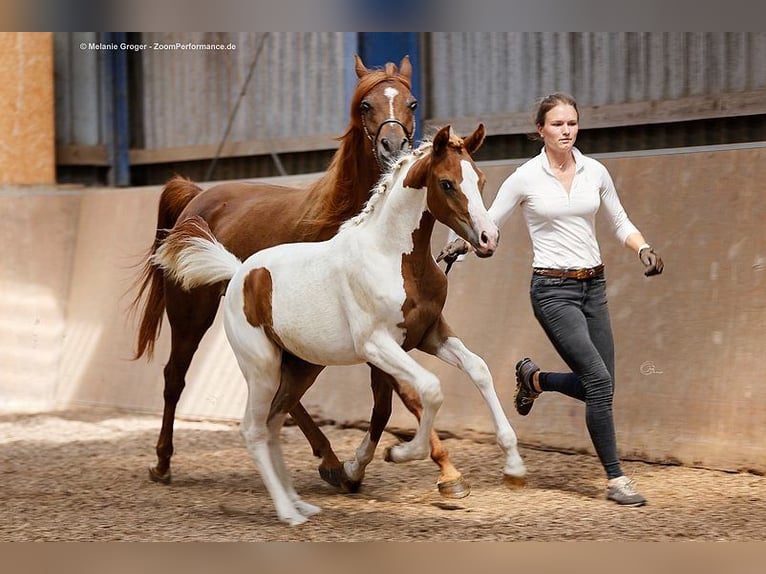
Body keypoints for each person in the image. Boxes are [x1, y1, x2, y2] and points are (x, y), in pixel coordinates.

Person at [438, 93, 663, 507]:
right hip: (552, 290)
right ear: (540, 129)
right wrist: (458, 247)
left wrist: (642, 247)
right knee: (598, 381)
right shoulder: (525, 177)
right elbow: (489, 222)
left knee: (601, 386)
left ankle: (534, 379)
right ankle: (616, 479)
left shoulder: (595, 171)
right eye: (558, 124)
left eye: (572, 123)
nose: (566, 131)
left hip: (593, 287)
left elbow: (618, 219)